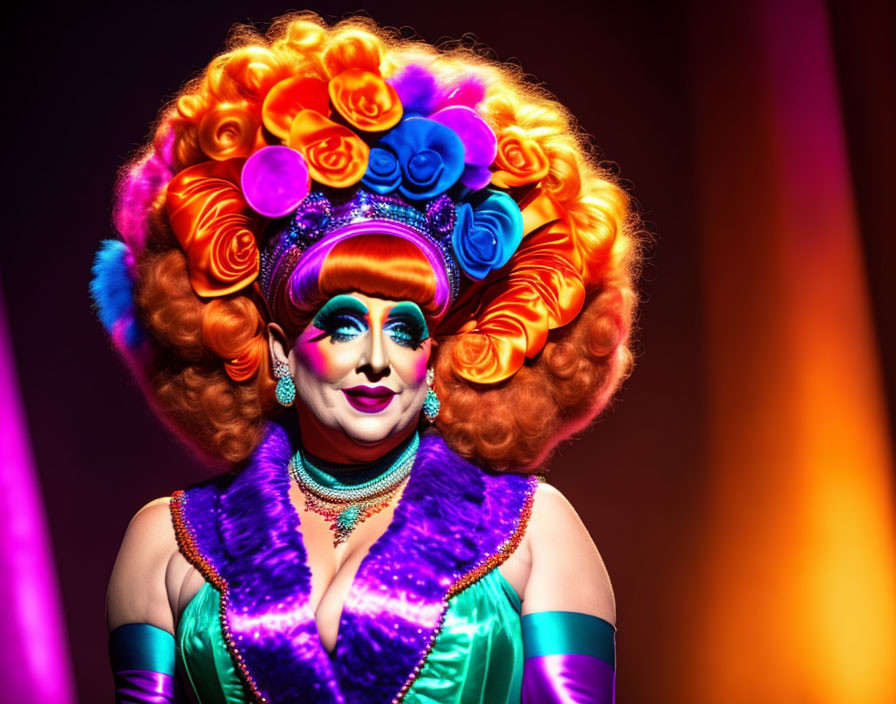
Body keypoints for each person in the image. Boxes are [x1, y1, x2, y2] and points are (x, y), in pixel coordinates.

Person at [94, 12, 639, 704]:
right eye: (345, 326)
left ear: (434, 363)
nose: (378, 359)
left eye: (407, 331)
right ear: (282, 354)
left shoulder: (534, 530)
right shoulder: (166, 542)